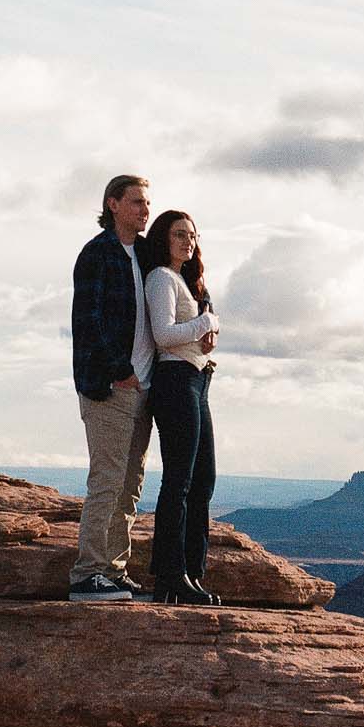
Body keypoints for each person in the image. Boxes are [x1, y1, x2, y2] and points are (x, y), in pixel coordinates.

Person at [67, 174, 156, 602]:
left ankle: (114, 569)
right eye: (137, 202)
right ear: (113, 204)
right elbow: (89, 321)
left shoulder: (142, 254)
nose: (145, 210)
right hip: (109, 387)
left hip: (142, 388)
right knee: (106, 478)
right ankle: (87, 574)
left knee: (129, 484)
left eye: (147, 203)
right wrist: (119, 369)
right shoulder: (98, 254)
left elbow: (186, 279)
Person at [139, 208, 222, 605]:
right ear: (163, 238)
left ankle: (191, 571)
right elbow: (163, 335)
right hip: (175, 383)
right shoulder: (161, 278)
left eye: (191, 234)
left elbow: (192, 333)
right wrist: (205, 325)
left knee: (203, 479)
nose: (187, 240)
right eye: (178, 234)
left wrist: (207, 332)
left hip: (197, 382)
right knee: (180, 481)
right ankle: (171, 576)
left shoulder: (188, 283)